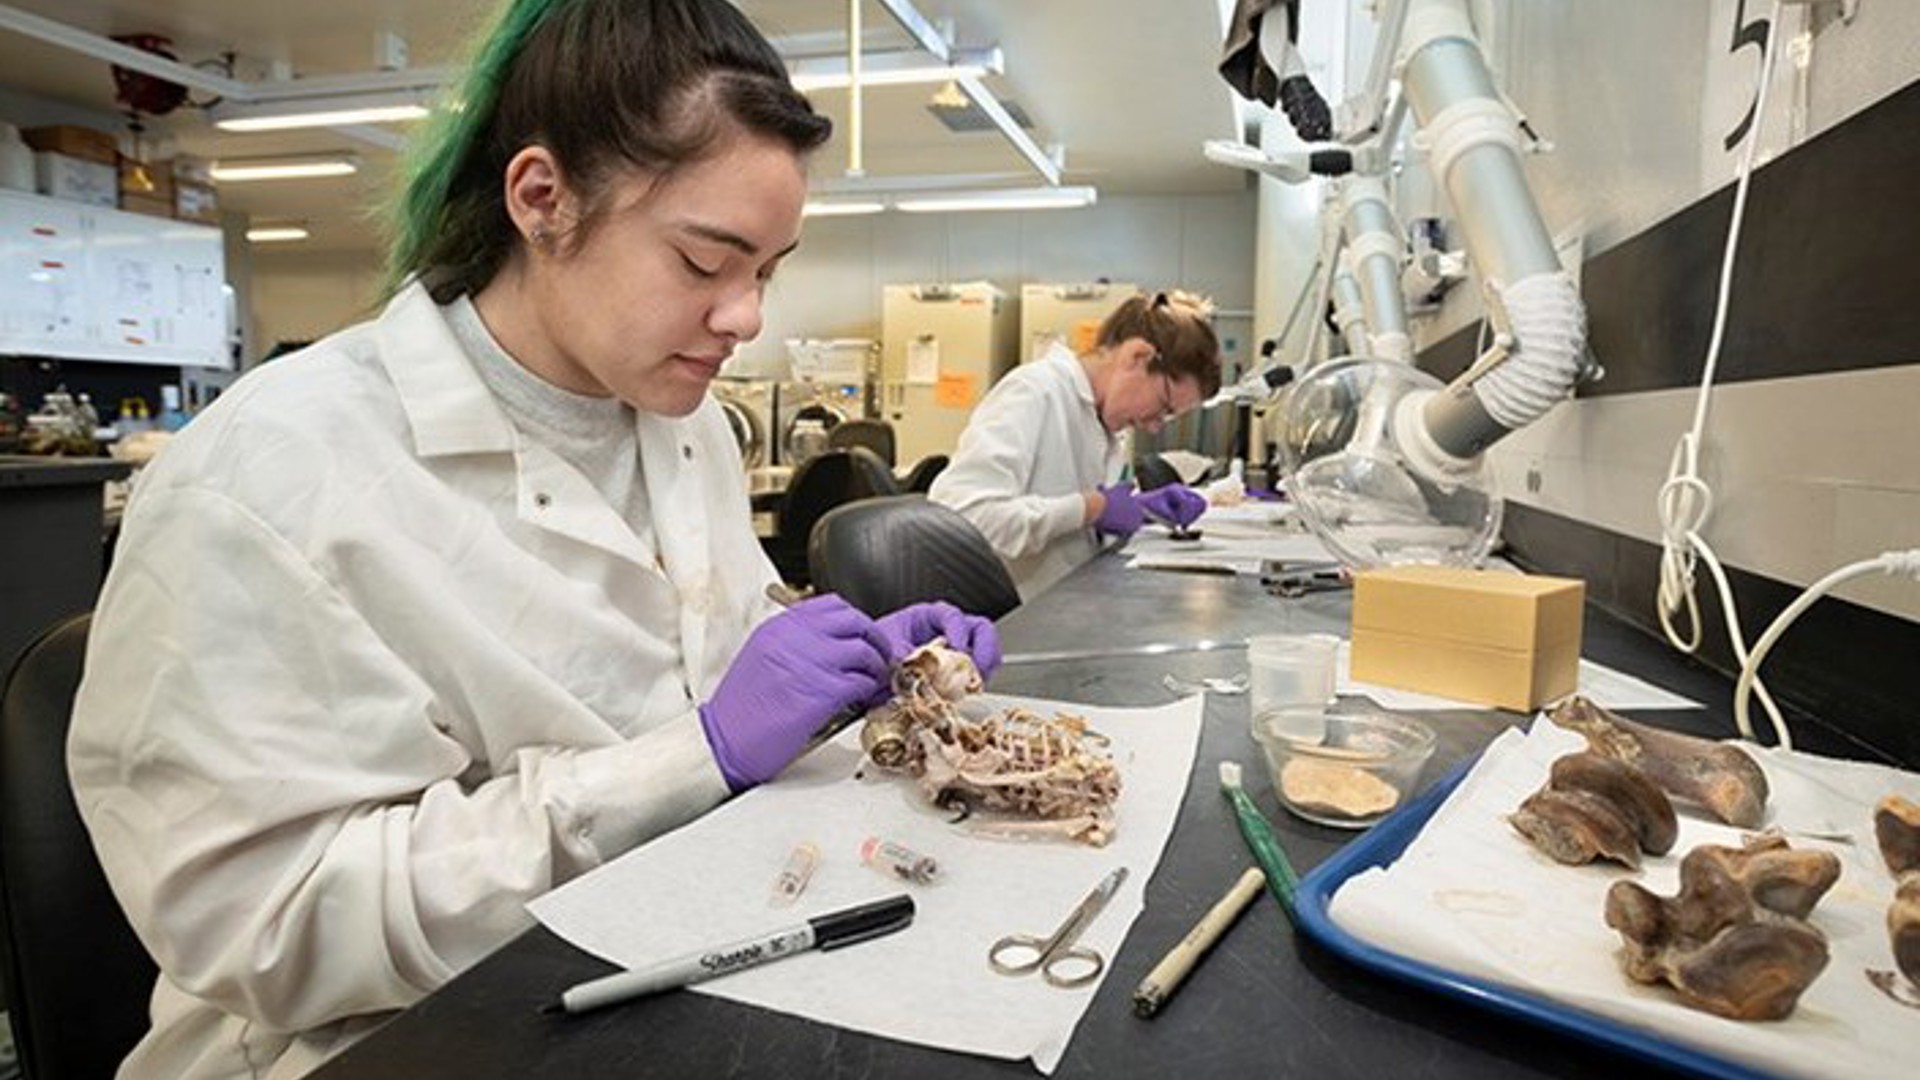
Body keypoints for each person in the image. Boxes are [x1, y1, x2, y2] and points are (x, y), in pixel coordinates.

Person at [66, 2, 998, 1076]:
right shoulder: (270, 476)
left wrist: (861, 664)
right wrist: (694, 759)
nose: (747, 318)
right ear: (542, 199)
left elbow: (707, 639)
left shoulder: (680, 424)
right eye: (706, 263)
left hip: (659, 955)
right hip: (377, 1042)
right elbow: (267, 930)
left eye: (768, 271)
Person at [928, 290, 1223, 599]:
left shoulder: (1104, 421)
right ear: (1138, 356)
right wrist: (1090, 508)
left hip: (1074, 605)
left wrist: (1142, 508)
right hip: (1013, 622)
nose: (1154, 425)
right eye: (1163, 406)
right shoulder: (1034, 392)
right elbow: (961, 520)